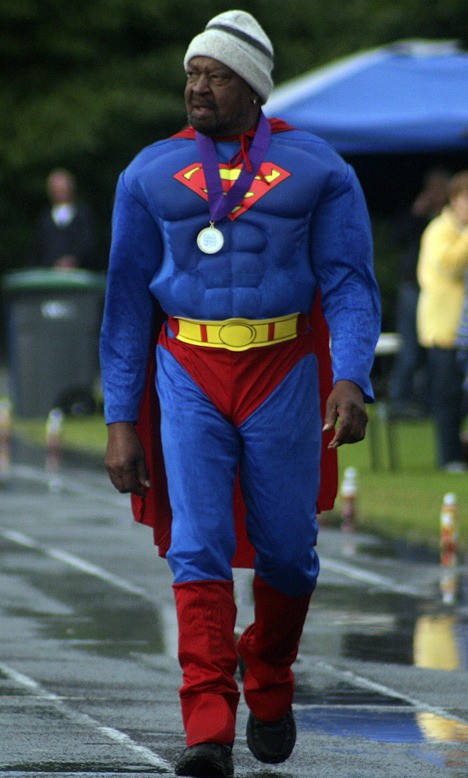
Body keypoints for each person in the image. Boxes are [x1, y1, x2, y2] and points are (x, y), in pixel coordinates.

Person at [100, 10, 381, 777]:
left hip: (283, 366)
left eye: (215, 74)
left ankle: (272, 673)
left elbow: (351, 282)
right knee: (197, 543)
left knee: (289, 552)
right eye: (192, 72)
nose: (197, 86)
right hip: (186, 366)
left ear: (252, 86)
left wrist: (351, 375)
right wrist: (120, 417)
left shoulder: (320, 169)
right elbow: (125, 301)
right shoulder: (149, 172)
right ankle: (208, 720)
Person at [416, 170, 468, 473]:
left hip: (462, 329)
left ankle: (458, 452)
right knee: (447, 395)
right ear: (454, 200)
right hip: (445, 328)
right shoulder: (441, 230)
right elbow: (448, 265)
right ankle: (448, 457)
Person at [389, 168, 449, 418]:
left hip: (439, 293)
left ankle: (426, 402)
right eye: (432, 188)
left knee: (436, 349)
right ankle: (398, 402)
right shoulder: (420, 214)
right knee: (410, 349)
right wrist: (416, 212)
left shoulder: (449, 219)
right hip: (413, 288)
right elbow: (395, 239)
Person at [29, 168, 96, 269]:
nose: (59, 192)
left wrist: (73, 260)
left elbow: (88, 243)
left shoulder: (83, 215)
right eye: (55, 189)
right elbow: (38, 249)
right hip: (48, 274)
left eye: (62, 189)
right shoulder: (44, 218)